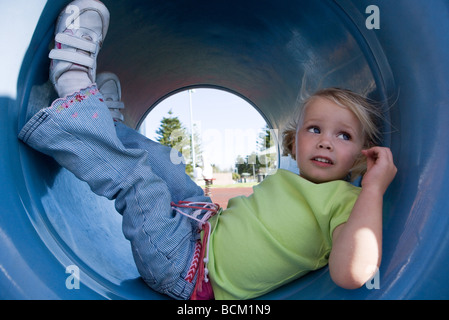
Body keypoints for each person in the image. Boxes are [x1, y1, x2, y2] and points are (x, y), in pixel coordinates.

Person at [18, 0, 397, 300]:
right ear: (294, 143)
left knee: (139, 184)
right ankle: (107, 126)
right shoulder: (296, 179)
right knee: (163, 164)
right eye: (314, 129)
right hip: (201, 225)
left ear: (365, 153)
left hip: (185, 271)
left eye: (344, 136)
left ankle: (75, 93)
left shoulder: (347, 202)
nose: (326, 140)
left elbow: (351, 272)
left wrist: (373, 189)